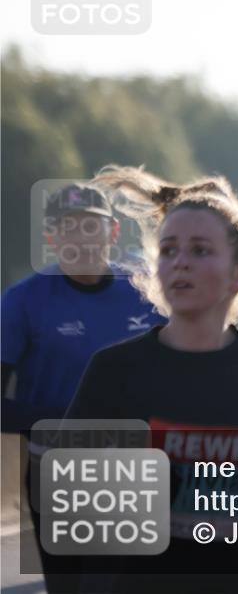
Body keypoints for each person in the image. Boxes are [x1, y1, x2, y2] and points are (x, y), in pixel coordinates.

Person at [64, 166, 238, 592]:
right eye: (168, 250)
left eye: (201, 250)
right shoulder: (114, 370)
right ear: (155, 269)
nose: (181, 261)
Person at [1, 183, 165, 594]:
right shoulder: (22, 301)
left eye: (91, 227)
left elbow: (186, 368)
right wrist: (67, 423)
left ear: (111, 233)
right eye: (69, 228)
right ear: (51, 237)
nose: (81, 238)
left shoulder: (145, 293)